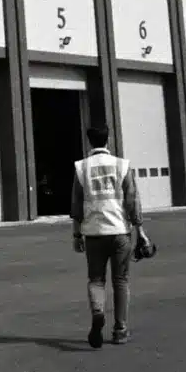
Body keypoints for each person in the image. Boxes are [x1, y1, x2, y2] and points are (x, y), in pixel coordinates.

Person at [70, 123, 148, 348]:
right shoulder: (122, 165)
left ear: (89, 142)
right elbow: (132, 200)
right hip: (120, 232)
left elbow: (76, 204)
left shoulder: (81, 167)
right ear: (109, 140)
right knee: (121, 281)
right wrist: (140, 231)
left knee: (96, 279)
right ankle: (120, 330)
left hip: (93, 233)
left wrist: (76, 235)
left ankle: (98, 311)